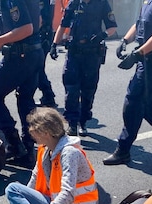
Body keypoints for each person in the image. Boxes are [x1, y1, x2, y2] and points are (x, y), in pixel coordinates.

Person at [0, 108, 98, 204]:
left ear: (45, 133)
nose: (30, 132)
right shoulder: (45, 148)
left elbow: (67, 194)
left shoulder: (69, 153)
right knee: (13, 188)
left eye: (33, 129)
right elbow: (35, 176)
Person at [102, 0, 152, 165]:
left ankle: (123, 149)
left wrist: (137, 54)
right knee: (147, 102)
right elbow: (139, 23)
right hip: (145, 57)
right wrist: (125, 40)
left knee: (133, 100)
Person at [0, 0, 43, 167]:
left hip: (20, 55)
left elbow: (26, 28)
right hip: (34, 52)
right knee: (25, 100)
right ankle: (28, 150)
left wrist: (0, 40)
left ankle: (15, 145)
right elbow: (37, 22)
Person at [49, 0, 117, 137]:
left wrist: (102, 35)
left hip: (92, 55)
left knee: (88, 90)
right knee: (71, 89)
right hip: (74, 53)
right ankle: (72, 124)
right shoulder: (74, 3)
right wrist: (54, 44)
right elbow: (63, 25)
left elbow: (112, 27)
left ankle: (83, 121)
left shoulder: (101, 3)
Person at [36, 0, 58, 108]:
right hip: (44, 34)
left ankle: (48, 95)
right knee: (37, 68)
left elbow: (43, 19)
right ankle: (48, 95)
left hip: (42, 35)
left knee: (37, 68)